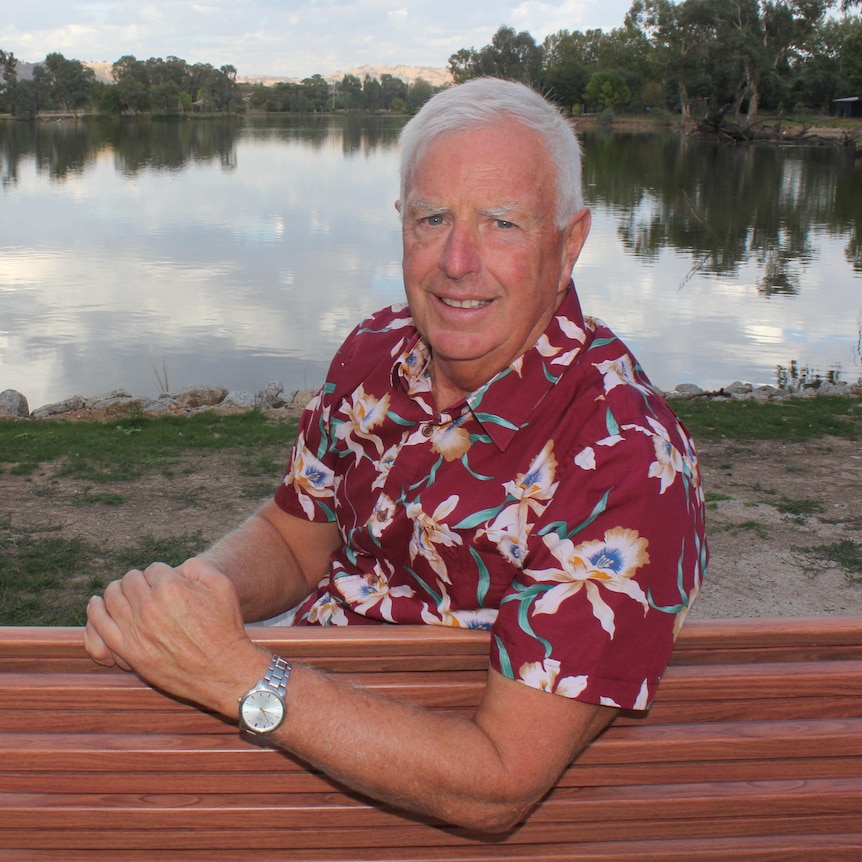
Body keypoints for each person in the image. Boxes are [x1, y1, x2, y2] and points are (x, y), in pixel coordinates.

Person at [85, 77, 707, 833]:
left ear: (569, 243)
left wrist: (240, 674)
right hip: (294, 737)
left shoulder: (624, 459)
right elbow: (292, 536)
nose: (456, 259)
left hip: (406, 810)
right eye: (432, 218)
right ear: (401, 225)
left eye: (502, 223)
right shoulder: (377, 351)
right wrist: (189, 600)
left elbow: (498, 781)